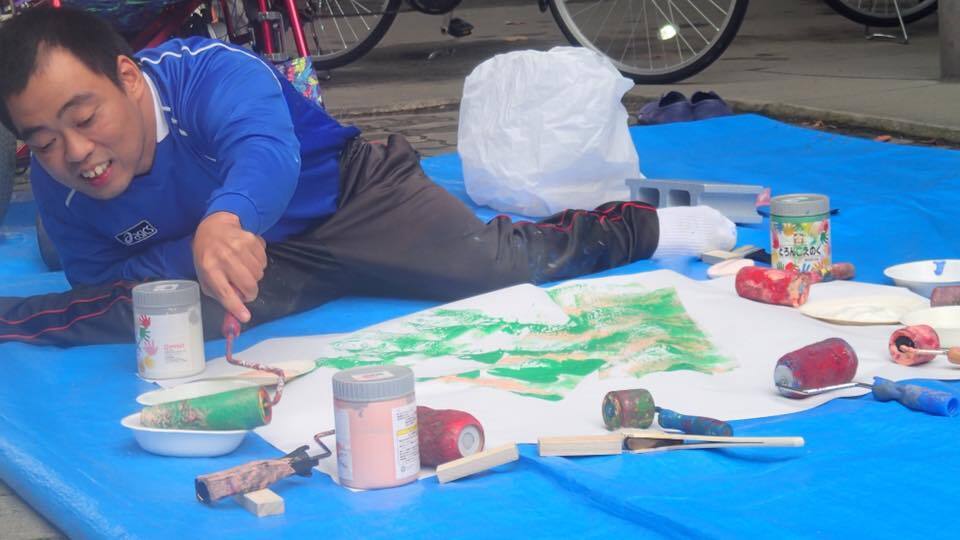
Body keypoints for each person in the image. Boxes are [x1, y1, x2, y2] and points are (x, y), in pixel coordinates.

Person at [0, 7, 736, 347]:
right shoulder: (62, 186)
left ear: (128, 78)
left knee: (494, 268)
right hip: (258, 259)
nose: (78, 152)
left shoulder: (207, 73)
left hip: (351, 199)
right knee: (134, 314)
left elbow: (267, 153)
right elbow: (106, 282)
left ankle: (643, 228)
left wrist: (224, 223)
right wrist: (193, 257)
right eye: (44, 139)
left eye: (84, 116)